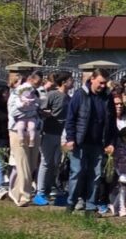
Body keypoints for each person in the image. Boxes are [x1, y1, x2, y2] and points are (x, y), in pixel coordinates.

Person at [64, 68, 118, 214]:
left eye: (105, 83)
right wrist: (70, 138)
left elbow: (112, 122)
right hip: (80, 141)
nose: (102, 86)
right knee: (77, 172)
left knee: (95, 175)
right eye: (100, 82)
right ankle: (71, 203)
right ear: (92, 79)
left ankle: (91, 206)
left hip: (98, 143)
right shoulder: (80, 95)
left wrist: (111, 142)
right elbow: (71, 118)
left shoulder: (108, 98)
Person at [34, 71, 71, 206]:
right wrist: (46, 114)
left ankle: (51, 189)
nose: (72, 82)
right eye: (70, 80)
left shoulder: (68, 97)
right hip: (48, 133)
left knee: (56, 164)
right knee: (46, 162)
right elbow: (39, 110)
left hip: (61, 134)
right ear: (64, 82)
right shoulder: (52, 95)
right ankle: (40, 192)